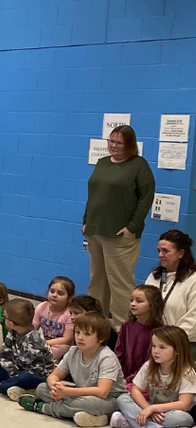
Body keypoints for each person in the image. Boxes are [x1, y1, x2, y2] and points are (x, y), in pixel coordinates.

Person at [83, 124, 156, 330]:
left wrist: (132, 226)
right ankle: (95, 327)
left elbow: (146, 197)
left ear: (130, 145)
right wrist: (86, 220)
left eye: (118, 142)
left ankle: (124, 331)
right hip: (95, 230)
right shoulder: (102, 163)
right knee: (97, 282)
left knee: (121, 285)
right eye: (111, 141)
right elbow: (93, 196)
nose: (113, 145)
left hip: (120, 235)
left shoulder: (138, 165)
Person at [19, 312, 125, 426]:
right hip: (81, 392)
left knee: (88, 403)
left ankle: (43, 408)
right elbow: (53, 375)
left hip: (109, 400)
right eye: (78, 332)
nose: (80, 337)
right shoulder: (73, 351)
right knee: (42, 389)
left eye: (87, 334)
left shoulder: (107, 357)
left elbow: (102, 392)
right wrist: (55, 386)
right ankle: (95, 417)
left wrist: (67, 392)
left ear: (101, 338)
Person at [111, 326, 195, 428]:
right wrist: (147, 409)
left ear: (177, 350)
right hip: (151, 409)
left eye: (162, 347)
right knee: (122, 398)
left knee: (185, 419)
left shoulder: (187, 372)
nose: (155, 351)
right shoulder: (149, 365)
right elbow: (135, 390)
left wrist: (153, 409)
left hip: (170, 412)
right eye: (154, 346)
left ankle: (130, 421)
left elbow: (184, 404)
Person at [0, 298, 54, 397]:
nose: (3, 318)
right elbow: (4, 355)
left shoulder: (34, 341)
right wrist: (13, 372)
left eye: (5, 317)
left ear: (12, 323)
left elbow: (37, 372)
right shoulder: (12, 332)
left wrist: (17, 376)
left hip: (37, 377)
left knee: (25, 378)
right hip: (17, 371)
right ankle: (14, 386)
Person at [143, 229, 196, 356]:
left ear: (181, 253)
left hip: (182, 345)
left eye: (165, 251)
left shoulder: (193, 281)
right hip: (153, 342)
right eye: (159, 251)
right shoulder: (154, 277)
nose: (161, 255)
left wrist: (169, 340)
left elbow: (193, 319)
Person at [114, 285, 163, 385]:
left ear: (153, 304)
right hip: (123, 377)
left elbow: (151, 364)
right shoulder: (126, 326)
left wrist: (129, 380)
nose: (133, 304)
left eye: (139, 301)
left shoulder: (159, 332)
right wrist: (120, 376)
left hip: (145, 380)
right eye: (131, 300)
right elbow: (119, 355)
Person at [34, 276, 75, 362]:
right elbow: (32, 328)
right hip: (45, 341)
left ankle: (48, 360)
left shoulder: (69, 314)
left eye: (60, 293)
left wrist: (45, 343)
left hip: (60, 345)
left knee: (64, 348)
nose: (54, 295)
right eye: (52, 291)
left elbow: (67, 339)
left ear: (69, 298)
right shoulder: (41, 307)